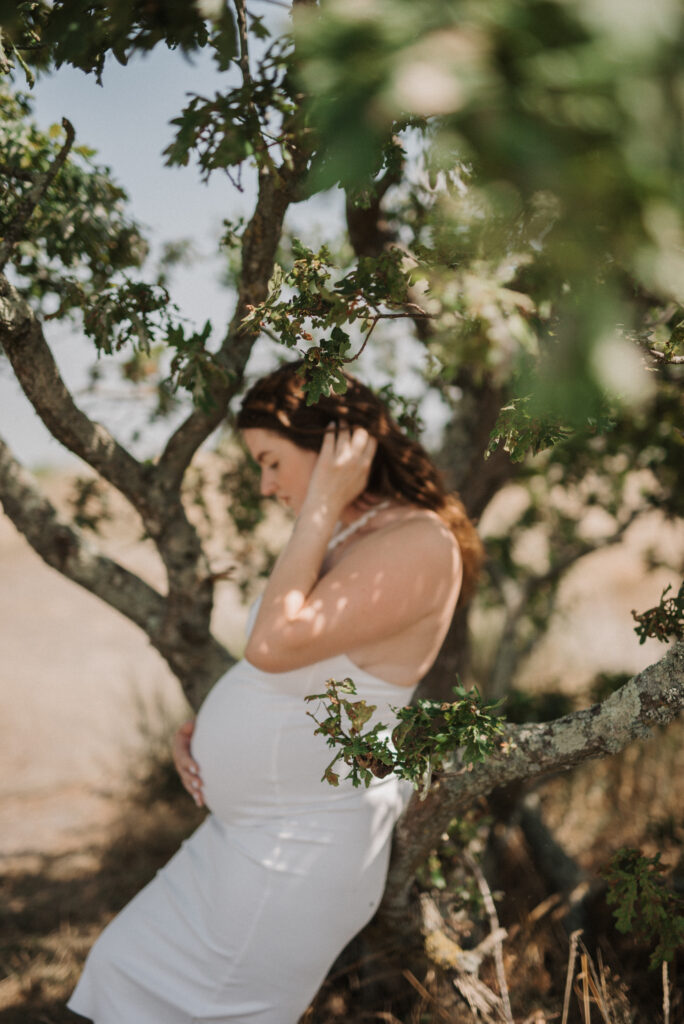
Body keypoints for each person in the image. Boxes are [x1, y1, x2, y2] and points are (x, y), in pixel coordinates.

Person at [68, 360, 483, 1024]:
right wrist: (207, 728)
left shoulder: (420, 541)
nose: (265, 486)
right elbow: (288, 667)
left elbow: (275, 642)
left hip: (298, 848)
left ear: (334, 447)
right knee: (121, 969)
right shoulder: (352, 534)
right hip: (241, 834)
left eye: (270, 462)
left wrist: (319, 501)